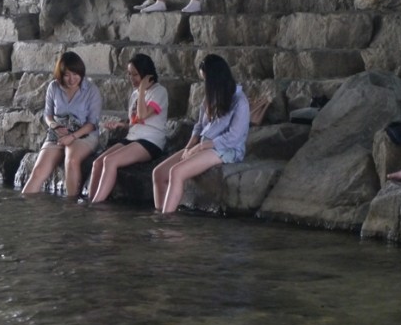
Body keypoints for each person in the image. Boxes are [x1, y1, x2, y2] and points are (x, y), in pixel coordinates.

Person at [152, 54, 249, 214]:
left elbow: (233, 137)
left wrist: (200, 147)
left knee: (176, 172)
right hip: (203, 144)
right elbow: (199, 126)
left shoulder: (240, 101)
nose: (205, 84)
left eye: (206, 80)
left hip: (225, 149)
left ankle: (165, 222)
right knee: (159, 173)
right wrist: (188, 148)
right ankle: (161, 212)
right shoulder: (210, 97)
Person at [88, 54, 168, 203]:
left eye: (135, 75)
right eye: (129, 74)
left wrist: (143, 88)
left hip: (150, 141)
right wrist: (121, 125)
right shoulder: (135, 94)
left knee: (110, 161)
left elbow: (143, 115)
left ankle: (96, 205)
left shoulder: (159, 92)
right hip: (133, 137)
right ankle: (90, 200)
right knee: (98, 162)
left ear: (146, 74)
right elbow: (135, 121)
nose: (131, 78)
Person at [22, 52, 102, 197]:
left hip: (84, 134)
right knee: (39, 170)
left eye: (75, 74)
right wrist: (55, 126)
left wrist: (73, 136)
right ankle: (23, 208)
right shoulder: (54, 87)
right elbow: (48, 115)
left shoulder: (91, 90)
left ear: (81, 72)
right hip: (58, 133)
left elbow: (92, 124)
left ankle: (71, 208)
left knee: (71, 160)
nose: (72, 79)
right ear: (60, 75)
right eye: (67, 75)